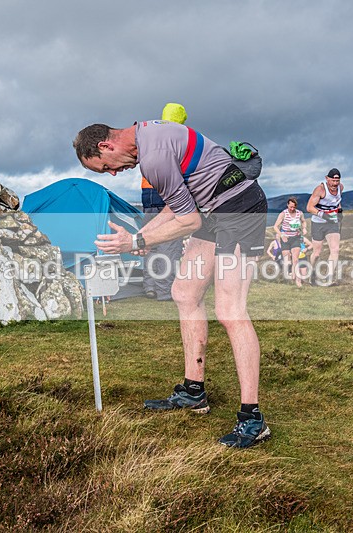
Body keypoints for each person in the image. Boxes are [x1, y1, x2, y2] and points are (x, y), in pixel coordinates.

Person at [73, 120, 270, 448]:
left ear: (106, 146)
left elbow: (188, 220)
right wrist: (144, 236)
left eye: (105, 167)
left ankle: (253, 417)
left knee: (230, 310)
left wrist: (136, 242)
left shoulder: (154, 155)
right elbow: (176, 207)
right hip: (214, 211)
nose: (112, 174)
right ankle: (194, 392)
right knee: (184, 292)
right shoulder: (147, 139)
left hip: (241, 209)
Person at [141, 103, 188, 300]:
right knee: (169, 246)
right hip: (169, 199)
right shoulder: (180, 141)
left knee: (150, 244)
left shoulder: (149, 137)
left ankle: (149, 286)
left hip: (148, 199)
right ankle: (164, 291)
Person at [306, 168, 343, 285]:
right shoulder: (320, 190)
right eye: (332, 181)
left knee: (335, 250)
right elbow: (309, 207)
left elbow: (337, 201)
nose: (335, 184)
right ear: (327, 179)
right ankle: (311, 273)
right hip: (318, 223)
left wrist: (340, 211)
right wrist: (323, 215)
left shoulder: (341, 188)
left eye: (337, 181)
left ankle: (329, 277)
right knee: (316, 253)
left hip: (332, 223)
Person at [273, 197, 306, 286]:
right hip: (285, 238)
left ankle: (298, 281)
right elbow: (275, 226)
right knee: (287, 260)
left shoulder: (299, 213)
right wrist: (281, 235)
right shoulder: (283, 214)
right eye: (290, 207)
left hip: (295, 237)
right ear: (287, 205)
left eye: (293, 207)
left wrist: (304, 228)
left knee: (296, 259)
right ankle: (289, 276)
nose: (292, 209)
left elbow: (303, 221)